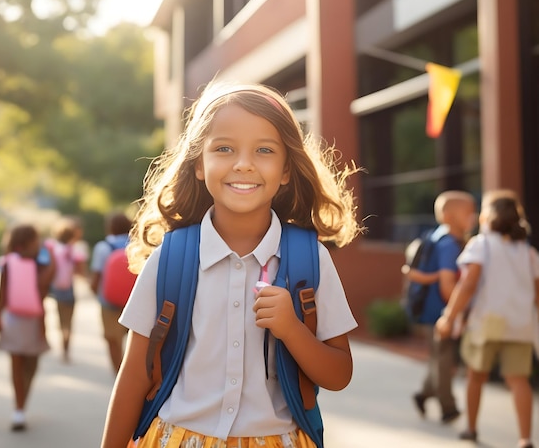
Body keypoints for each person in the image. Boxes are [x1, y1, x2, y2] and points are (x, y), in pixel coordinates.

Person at [100, 81, 360, 448]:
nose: (243, 164)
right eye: (224, 148)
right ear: (199, 165)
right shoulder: (171, 257)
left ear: (286, 169)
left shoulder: (310, 259)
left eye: (264, 150)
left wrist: (291, 329)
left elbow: (339, 375)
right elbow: (133, 377)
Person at [436, 190, 539, 448]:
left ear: (487, 217)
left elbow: (468, 284)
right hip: (520, 324)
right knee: (518, 380)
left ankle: (471, 428)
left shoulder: (481, 244)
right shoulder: (528, 252)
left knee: (476, 376)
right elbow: (537, 293)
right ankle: (525, 438)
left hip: (486, 322)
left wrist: (449, 316)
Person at [406, 190, 476, 424]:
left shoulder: (437, 237)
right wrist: (456, 312)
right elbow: (448, 285)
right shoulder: (449, 245)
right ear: (448, 216)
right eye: (468, 212)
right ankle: (448, 407)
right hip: (442, 311)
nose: (473, 217)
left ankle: (423, 394)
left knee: (439, 356)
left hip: (430, 309)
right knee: (445, 359)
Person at [0, 224, 55, 431]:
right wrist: (52, 258)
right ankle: (20, 407)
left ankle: (19, 407)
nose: (38, 245)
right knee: (27, 367)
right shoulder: (39, 266)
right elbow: (41, 292)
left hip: (14, 321)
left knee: (19, 366)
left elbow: (1, 296)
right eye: (35, 241)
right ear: (25, 244)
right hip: (32, 323)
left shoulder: (7, 264)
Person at [90, 212, 133, 373]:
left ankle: (119, 372)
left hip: (109, 302)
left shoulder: (103, 247)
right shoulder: (138, 244)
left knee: (112, 339)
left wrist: (97, 294)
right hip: (134, 300)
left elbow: (96, 277)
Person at [46, 217, 88, 362]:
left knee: (59, 318)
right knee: (68, 321)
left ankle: (61, 344)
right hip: (68, 289)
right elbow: (80, 271)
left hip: (55, 288)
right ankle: (66, 350)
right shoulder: (74, 250)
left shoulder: (53, 249)